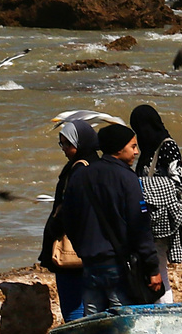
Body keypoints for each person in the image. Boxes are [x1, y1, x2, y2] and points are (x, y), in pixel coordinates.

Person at [62, 123, 164, 313]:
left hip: (90, 263)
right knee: (121, 321)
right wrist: (152, 268)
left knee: (93, 321)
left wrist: (83, 248)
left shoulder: (80, 176)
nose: (136, 152)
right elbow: (140, 227)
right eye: (133, 146)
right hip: (118, 266)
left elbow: (68, 220)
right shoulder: (127, 178)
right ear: (119, 148)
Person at [38, 119, 97, 321]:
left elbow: (70, 208)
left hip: (73, 249)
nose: (63, 149)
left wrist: (53, 230)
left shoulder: (78, 170)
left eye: (67, 144)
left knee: (74, 306)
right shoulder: (99, 166)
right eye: (61, 143)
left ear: (80, 144)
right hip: (95, 248)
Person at [131, 105, 182, 272]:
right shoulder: (147, 150)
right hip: (146, 217)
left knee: (158, 268)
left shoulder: (167, 147)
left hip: (162, 218)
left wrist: (148, 191)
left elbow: (179, 183)